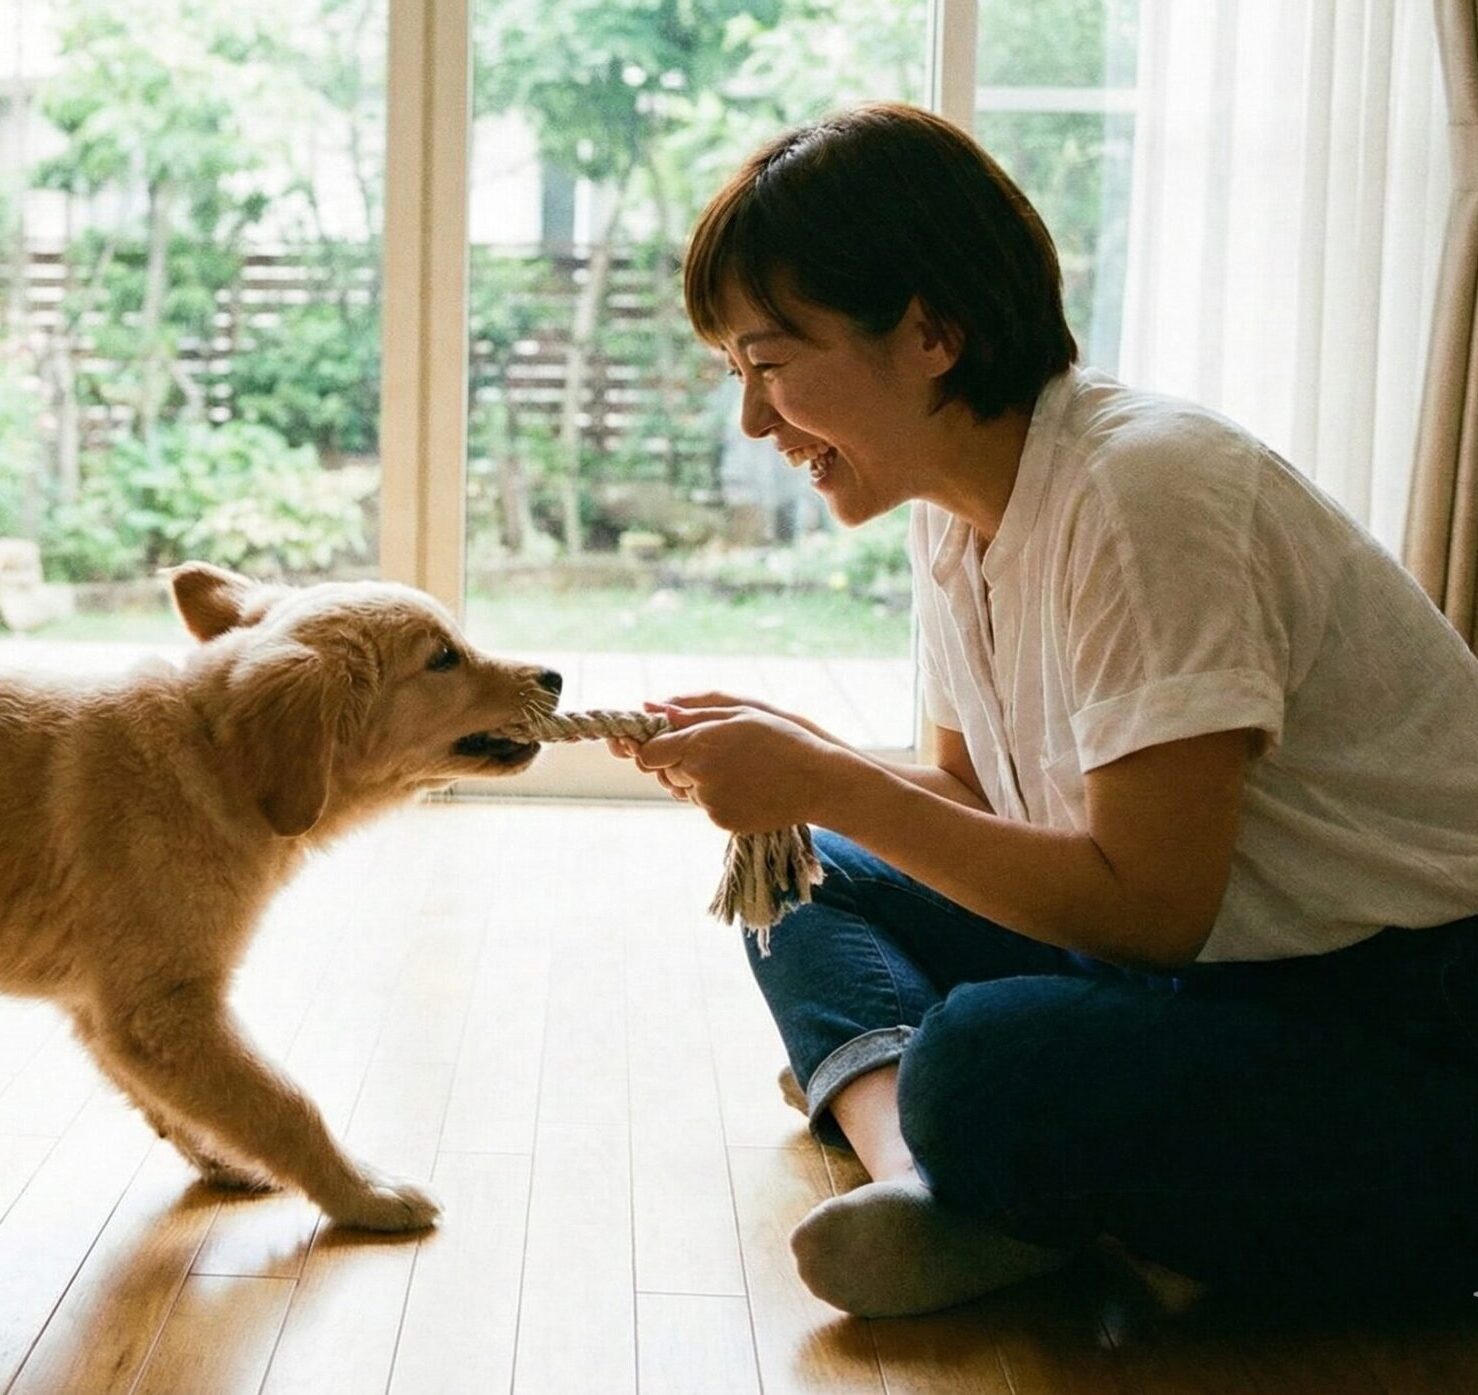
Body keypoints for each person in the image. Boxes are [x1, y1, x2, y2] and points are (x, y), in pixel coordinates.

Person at [612, 101, 1478, 1319]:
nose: (755, 422)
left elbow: (1149, 913)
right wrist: (802, 769)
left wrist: (817, 775)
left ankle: (1003, 1179)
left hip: (1401, 1013)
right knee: (799, 875)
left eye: (770, 364)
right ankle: (937, 1191)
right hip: (1225, 975)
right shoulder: (956, 509)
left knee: (981, 1059)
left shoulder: (1144, 491)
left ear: (929, 334)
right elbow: (974, 806)